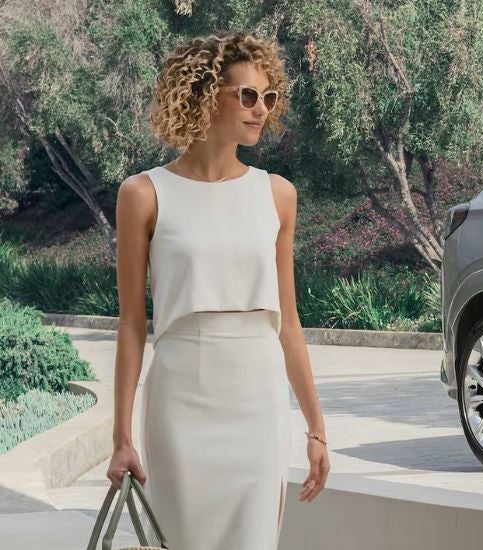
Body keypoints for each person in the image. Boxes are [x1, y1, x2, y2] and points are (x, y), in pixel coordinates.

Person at [106, 30, 330, 549]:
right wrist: (121, 439)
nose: (260, 109)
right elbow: (132, 325)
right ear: (206, 93)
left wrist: (316, 428)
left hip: (257, 399)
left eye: (268, 98)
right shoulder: (143, 194)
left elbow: (289, 324)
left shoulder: (277, 195)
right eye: (248, 95)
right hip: (180, 398)